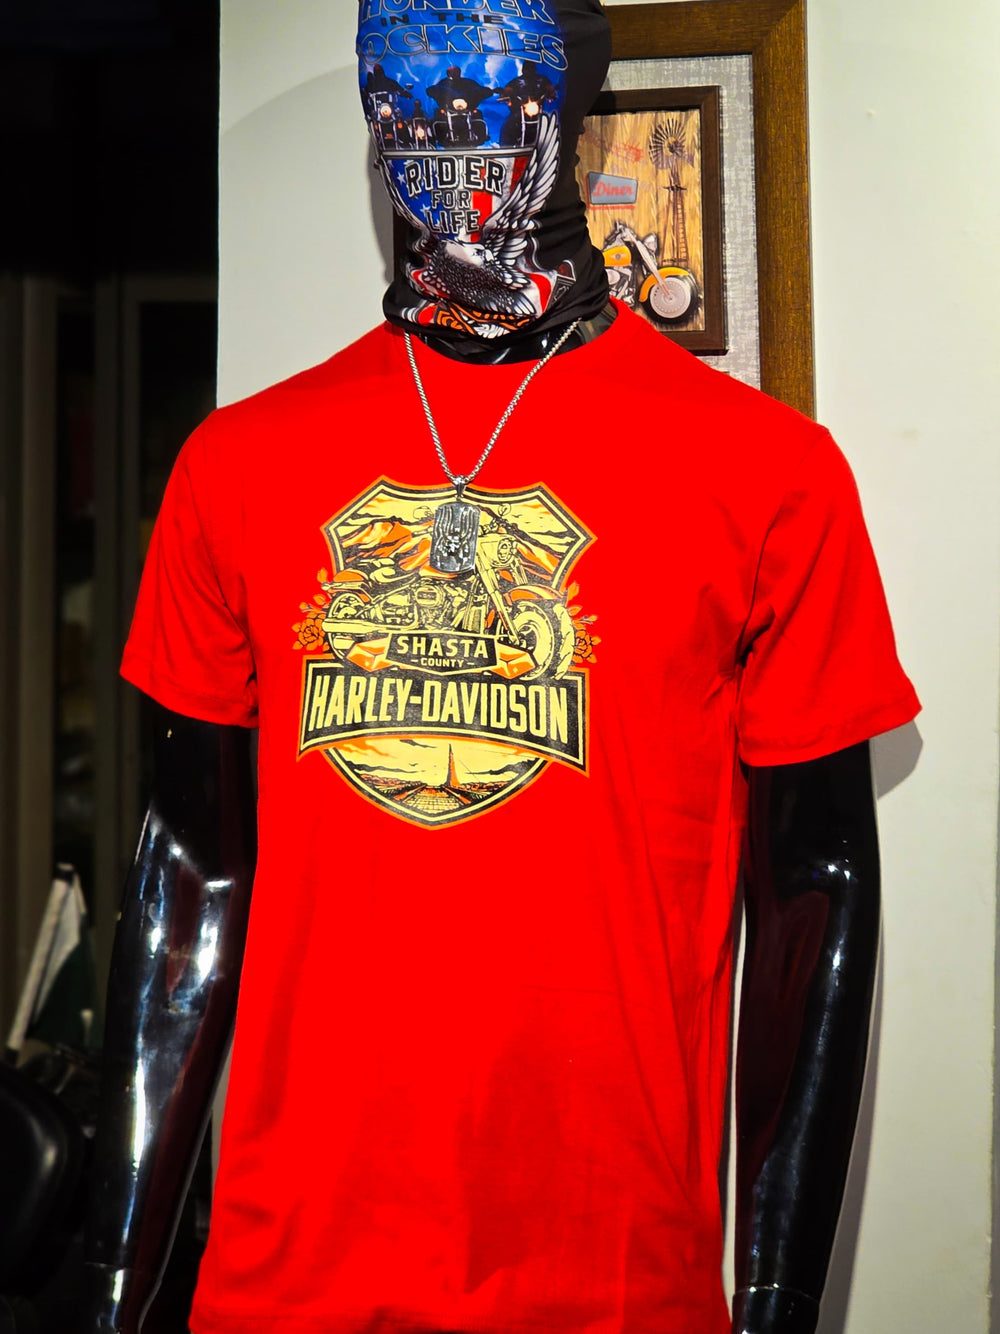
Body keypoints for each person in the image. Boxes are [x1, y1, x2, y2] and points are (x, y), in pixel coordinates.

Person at [84, 3, 920, 1332]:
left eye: (484, 91)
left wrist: (777, 1295)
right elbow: (190, 871)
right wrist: (114, 1283)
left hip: (612, 1277)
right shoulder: (236, 469)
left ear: (570, 103)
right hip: (290, 1281)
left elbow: (816, 891)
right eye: (403, 98)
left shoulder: (768, 476)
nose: (445, 135)